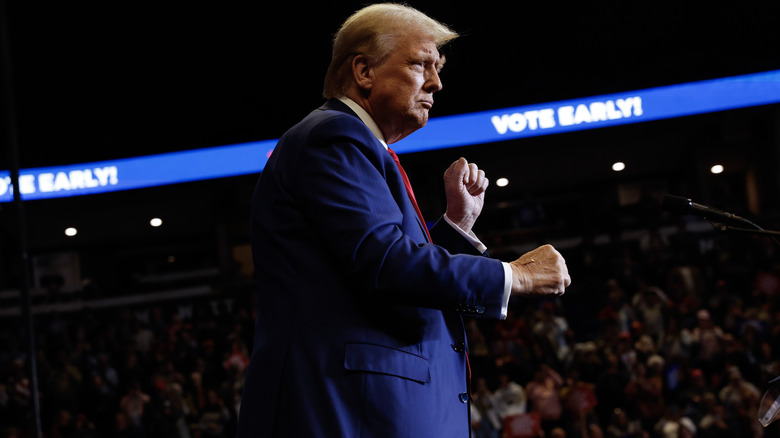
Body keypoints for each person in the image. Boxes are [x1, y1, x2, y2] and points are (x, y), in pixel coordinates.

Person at [236, 4, 571, 437]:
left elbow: (377, 271)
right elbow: (385, 265)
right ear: (364, 71)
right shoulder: (334, 137)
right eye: (421, 64)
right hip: (346, 409)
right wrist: (514, 277)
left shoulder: (356, 144)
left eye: (438, 68)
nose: (437, 82)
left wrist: (454, 227)